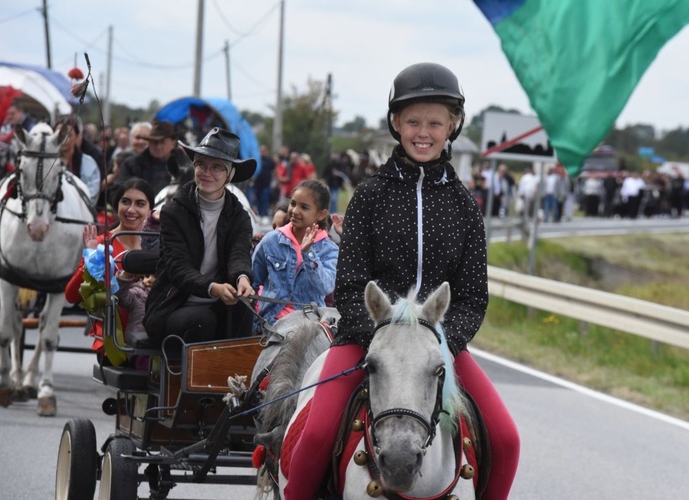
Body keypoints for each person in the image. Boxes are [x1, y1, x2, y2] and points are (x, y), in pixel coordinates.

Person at [284, 62, 520, 499]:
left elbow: (472, 296)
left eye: (435, 122)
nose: (423, 132)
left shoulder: (465, 206)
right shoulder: (369, 196)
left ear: (453, 125)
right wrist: (381, 334)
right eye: (413, 121)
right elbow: (351, 285)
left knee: (507, 441)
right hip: (365, 339)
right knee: (315, 437)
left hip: (438, 344)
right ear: (396, 123)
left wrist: (439, 339)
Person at [143, 127, 257, 344]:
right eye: (201, 164)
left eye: (216, 167)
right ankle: (191, 378)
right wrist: (213, 288)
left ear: (229, 175)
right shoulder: (173, 211)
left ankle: (238, 375)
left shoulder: (239, 216)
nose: (207, 172)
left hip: (218, 302)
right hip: (173, 305)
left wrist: (242, 279)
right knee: (202, 320)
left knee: (245, 305)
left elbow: (239, 254)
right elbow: (178, 268)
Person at [65, 178, 155, 355]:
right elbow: (71, 295)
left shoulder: (157, 246)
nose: (131, 210)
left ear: (150, 210)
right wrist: (91, 260)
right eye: (125, 202)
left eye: (140, 204)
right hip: (114, 342)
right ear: (116, 205)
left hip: (153, 338)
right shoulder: (102, 245)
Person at [251, 179, 338, 328]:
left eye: (304, 207)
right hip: (270, 324)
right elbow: (253, 280)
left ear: (321, 214)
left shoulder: (330, 249)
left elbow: (325, 287)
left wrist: (308, 253)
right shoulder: (271, 240)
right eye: (293, 204)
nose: (295, 211)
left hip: (309, 327)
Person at [115, 120, 189, 194]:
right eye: (154, 142)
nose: (158, 146)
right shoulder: (132, 165)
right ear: (149, 142)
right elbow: (117, 191)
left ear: (173, 143)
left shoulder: (186, 165)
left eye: (162, 141)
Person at [55, 120, 101, 207]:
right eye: (59, 135)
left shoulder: (89, 164)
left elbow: (90, 197)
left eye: (68, 135)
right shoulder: (47, 163)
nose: (63, 139)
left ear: (77, 137)